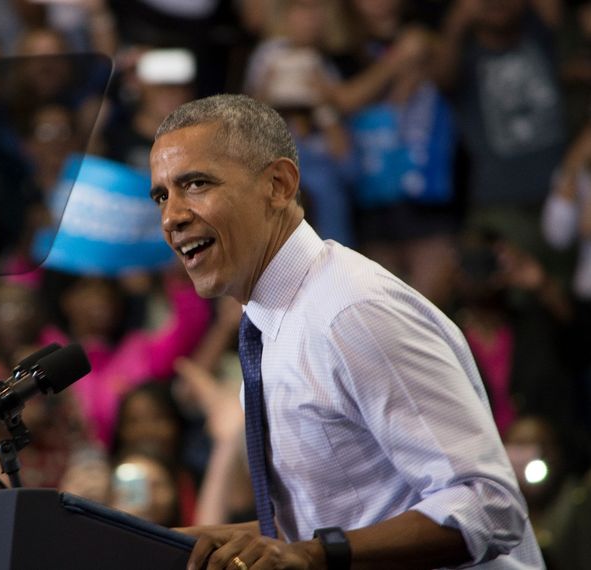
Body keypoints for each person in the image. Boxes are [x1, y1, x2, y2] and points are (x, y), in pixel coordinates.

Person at [148, 94, 543, 569]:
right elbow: (347, 515)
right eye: (162, 195)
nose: (172, 216)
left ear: (278, 184)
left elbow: (487, 505)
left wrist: (315, 555)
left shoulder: (352, 312)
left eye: (195, 184)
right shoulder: (275, 319)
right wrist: (182, 542)